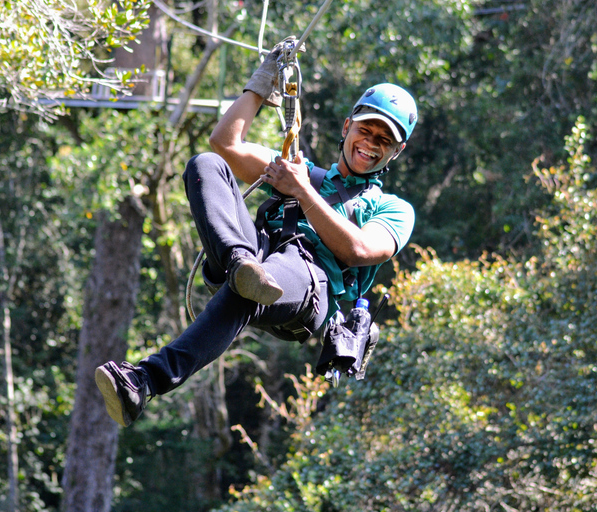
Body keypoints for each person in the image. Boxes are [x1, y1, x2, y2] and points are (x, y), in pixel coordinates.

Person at [94, 40, 418, 427]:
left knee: (253, 287)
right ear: (347, 127)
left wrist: (300, 190)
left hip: (309, 283)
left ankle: (144, 380)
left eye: (384, 141)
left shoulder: (392, 208)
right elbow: (225, 144)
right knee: (206, 164)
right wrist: (260, 84)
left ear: (395, 152)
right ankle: (240, 264)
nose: (370, 144)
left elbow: (359, 249)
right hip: (254, 252)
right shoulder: (301, 172)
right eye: (366, 130)